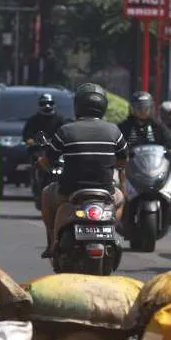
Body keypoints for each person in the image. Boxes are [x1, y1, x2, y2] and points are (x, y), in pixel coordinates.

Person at [40, 83, 128, 259]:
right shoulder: (114, 131)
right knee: (121, 198)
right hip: (105, 192)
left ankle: (51, 242)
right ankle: (111, 228)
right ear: (103, 106)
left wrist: (42, 163)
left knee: (46, 194)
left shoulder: (66, 130)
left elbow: (47, 160)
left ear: (77, 106)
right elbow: (123, 159)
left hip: (70, 192)